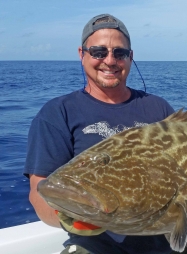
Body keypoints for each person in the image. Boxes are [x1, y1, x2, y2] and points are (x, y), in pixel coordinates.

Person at [24, 14, 176, 254]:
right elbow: (40, 189)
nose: (110, 60)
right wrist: (66, 218)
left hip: (167, 240)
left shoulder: (159, 108)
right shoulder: (57, 113)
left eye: (120, 53)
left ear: (130, 57)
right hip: (94, 246)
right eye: (98, 52)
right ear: (81, 54)